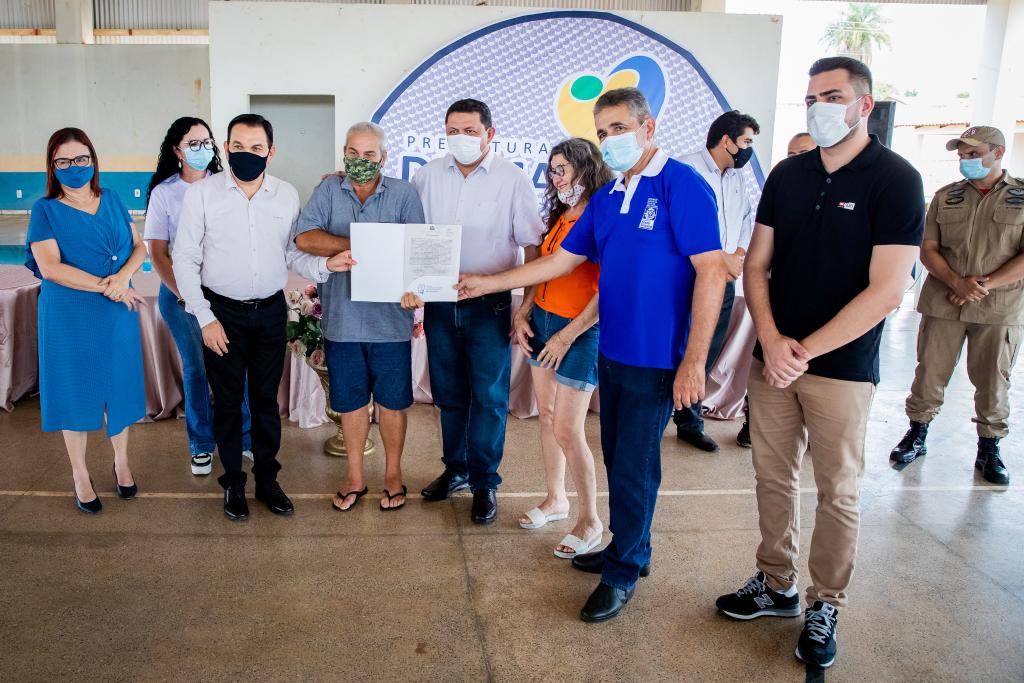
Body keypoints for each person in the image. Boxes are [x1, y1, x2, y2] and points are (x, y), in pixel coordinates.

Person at [457, 87, 725, 622]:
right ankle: (629, 547)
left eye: (619, 128)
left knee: (635, 466)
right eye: (603, 132)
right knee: (617, 457)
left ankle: (623, 571)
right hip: (614, 349)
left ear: (648, 127)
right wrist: (489, 282)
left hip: (656, 357)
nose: (610, 140)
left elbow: (712, 271)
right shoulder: (607, 199)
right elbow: (559, 263)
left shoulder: (681, 184)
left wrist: (695, 360)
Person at [714, 57, 924, 669]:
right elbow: (756, 265)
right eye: (810, 98)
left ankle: (825, 602)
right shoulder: (789, 174)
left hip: (841, 368)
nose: (817, 108)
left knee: (838, 490)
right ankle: (775, 582)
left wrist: (801, 351)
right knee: (772, 477)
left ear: (864, 105)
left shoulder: (896, 179)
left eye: (831, 96)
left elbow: (887, 291)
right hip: (773, 358)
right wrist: (772, 340)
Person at [401, 99, 544, 526]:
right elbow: (408, 232)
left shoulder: (513, 179)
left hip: (489, 305)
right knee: (449, 394)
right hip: (440, 302)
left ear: (489, 134)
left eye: (469, 131)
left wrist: (526, 306)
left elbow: (533, 249)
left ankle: (484, 481)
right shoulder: (427, 176)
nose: (460, 138)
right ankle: (456, 468)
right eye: (452, 131)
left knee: (489, 397)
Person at [173, 113, 309, 521]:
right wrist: (205, 318)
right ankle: (233, 481)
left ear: (271, 151)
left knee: (266, 402)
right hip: (222, 315)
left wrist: (327, 266)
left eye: (256, 147)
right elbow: (184, 258)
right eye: (238, 146)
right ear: (226, 147)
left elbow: (292, 253)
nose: (246, 153)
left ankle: (267, 479)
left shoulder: (286, 195)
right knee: (229, 402)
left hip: (269, 312)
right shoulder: (203, 194)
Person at [291, 122, 425, 512]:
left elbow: (418, 249)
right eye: (353, 152)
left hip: (391, 321)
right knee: (349, 404)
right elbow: (305, 237)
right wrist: (366, 244)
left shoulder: (404, 193)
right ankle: (354, 477)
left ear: (384, 158)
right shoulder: (328, 190)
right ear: (344, 154)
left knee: (393, 404)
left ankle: (393, 475)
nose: (359, 160)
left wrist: (416, 287)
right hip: (342, 320)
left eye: (369, 154)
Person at [889, 126, 1021, 486]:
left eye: (973, 154)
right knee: (929, 372)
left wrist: (981, 286)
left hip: (999, 308)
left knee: (993, 379)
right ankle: (916, 434)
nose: (965, 160)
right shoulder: (947, 196)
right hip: (944, 302)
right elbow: (928, 247)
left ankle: (989, 447)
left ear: (998, 152)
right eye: (962, 155)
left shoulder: (1021, 196)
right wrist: (955, 281)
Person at [25, 127, 147, 513]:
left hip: (117, 308)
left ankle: (121, 462)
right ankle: (80, 473)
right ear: (52, 167)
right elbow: (50, 267)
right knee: (75, 389)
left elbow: (139, 246)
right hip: (70, 314)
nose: (74, 166)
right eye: (63, 161)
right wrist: (109, 287)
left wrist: (124, 278)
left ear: (93, 160)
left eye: (81, 158)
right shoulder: (45, 210)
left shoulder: (111, 198)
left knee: (119, 386)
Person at [513, 138, 612, 558]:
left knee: (569, 429)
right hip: (542, 322)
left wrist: (566, 336)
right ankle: (556, 499)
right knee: (549, 417)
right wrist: (523, 312)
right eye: (552, 169)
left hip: (580, 331)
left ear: (586, 169)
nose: (556, 177)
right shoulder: (560, 214)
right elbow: (544, 271)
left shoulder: (602, 215)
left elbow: (607, 291)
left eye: (563, 169)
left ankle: (591, 520)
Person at [145, 116, 253, 476]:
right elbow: (158, 254)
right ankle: (202, 444)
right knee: (196, 369)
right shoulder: (165, 193)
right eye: (193, 143)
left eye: (206, 141)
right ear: (177, 151)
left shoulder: (229, 184)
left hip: (226, 295)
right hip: (181, 298)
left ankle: (244, 437)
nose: (202, 148)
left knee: (236, 367)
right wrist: (188, 296)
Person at [674, 110, 759, 453]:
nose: (749, 149)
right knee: (681, 345)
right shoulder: (685, 168)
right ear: (726, 140)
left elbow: (746, 217)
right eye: (746, 141)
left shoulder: (736, 176)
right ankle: (667, 412)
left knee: (707, 348)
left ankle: (688, 419)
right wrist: (718, 259)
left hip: (724, 276)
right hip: (689, 275)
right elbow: (676, 224)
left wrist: (737, 254)